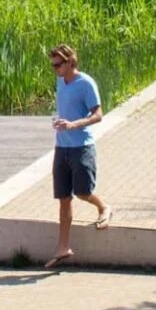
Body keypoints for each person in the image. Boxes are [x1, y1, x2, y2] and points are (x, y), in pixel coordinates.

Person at [46, 43, 111, 268]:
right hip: (61, 147)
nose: (55, 69)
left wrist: (73, 125)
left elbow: (98, 114)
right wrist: (60, 122)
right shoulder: (60, 82)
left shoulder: (86, 83)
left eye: (57, 65)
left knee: (83, 191)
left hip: (82, 146)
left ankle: (103, 207)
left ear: (70, 62)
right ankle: (63, 247)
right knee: (63, 198)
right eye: (53, 65)